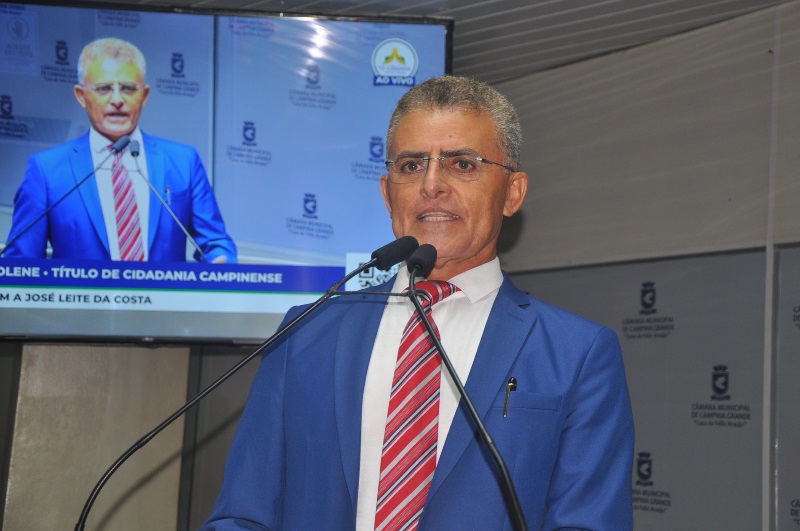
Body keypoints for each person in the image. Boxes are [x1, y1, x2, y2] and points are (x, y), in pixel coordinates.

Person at [203, 75, 633, 530]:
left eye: (462, 164)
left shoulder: (578, 354)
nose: (432, 185)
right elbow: (243, 515)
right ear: (387, 193)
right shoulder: (306, 331)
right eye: (411, 165)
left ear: (513, 193)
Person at [3, 38, 236, 263]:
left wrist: (220, 263)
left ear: (144, 95)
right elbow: (21, 264)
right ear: (81, 96)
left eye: (128, 88)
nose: (117, 99)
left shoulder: (183, 162)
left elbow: (216, 243)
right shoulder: (46, 170)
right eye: (104, 88)